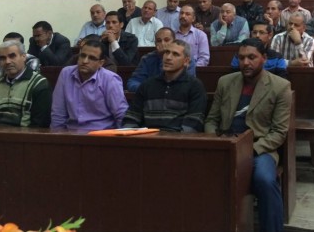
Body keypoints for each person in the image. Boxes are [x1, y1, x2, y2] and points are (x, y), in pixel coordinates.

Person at [205, 38, 292, 232]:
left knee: (264, 180)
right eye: (241, 57)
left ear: (264, 58)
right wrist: (214, 143)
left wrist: (248, 150)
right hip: (225, 144)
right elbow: (211, 120)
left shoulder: (280, 86)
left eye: (251, 57)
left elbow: (279, 133)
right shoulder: (226, 82)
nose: (245, 62)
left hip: (259, 149)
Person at [122, 40, 207, 132]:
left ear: (186, 61)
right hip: (147, 137)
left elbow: (193, 123)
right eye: (167, 52)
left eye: (175, 54)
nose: (168, 57)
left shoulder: (195, 86)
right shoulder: (147, 85)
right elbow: (131, 118)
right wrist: (133, 136)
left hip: (178, 139)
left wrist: (172, 139)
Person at [51, 39, 129, 131]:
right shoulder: (66, 74)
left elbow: (121, 114)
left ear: (101, 63)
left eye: (92, 58)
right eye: (82, 56)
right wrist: (57, 137)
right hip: (71, 134)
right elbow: (58, 113)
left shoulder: (110, 79)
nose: (85, 61)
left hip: (102, 134)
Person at [0, 40, 51, 127]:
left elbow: (40, 125)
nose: (7, 61)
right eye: (3, 58)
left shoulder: (39, 84)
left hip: (27, 134)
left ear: (23, 57)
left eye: (12, 56)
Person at [127, 27, 197, 92]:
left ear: (174, 41)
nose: (163, 43)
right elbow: (133, 82)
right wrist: (150, 89)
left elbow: (187, 84)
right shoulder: (147, 59)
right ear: (155, 44)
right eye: (159, 41)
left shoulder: (185, 58)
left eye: (166, 40)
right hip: (152, 97)